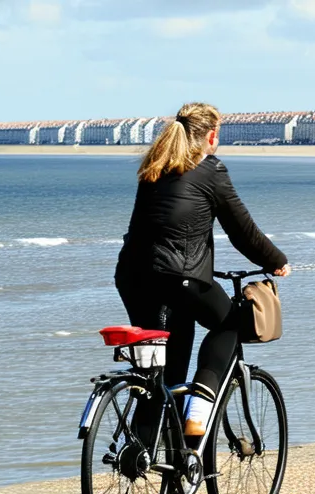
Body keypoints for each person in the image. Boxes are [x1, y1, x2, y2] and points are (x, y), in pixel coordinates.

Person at [115, 102, 291, 439]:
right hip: (179, 275)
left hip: (132, 277)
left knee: (165, 359)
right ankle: (199, 409)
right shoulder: (210, 169)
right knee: (231, 323)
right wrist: (275, 261)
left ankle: (151, 445)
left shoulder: (154, 167)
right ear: (212, 136)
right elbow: (242, 231)